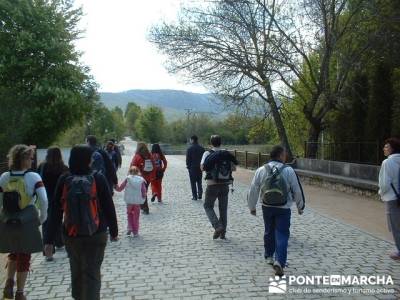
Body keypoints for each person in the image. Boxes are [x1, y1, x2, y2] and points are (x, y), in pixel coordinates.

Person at [44, 145, 119, 300]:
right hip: (96, 232)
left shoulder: (64, 179)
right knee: (92, 272)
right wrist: (114, 231)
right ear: (87, 160)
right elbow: (108, 206)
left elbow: (55, 210)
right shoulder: (98, 178)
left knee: (76, 271)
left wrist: (49, 239)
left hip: (71, 234)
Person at [248, 145, 305, 276]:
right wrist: (300, 206)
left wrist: (252, 207)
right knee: (282, 234)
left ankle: (269, 256)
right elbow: (297, 189)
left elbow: (253, 189)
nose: (285, 156)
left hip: (266, 206)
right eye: (284, 154)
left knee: (269, 231)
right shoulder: (289, 170)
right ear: (280, 155)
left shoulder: (261, 170)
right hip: (283, 208)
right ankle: (280, 261)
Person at [0, 145, 48, 300]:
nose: (32, 160)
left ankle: (8, 282)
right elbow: (44, 200)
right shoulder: (33, 177)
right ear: (23, 159)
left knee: (13, 252)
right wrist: (42, 217)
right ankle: (20, 293)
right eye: (30, 157)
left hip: (8, 218)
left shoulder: (4, 177)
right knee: (24, 255)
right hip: (27, 219)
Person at [201, 135, 238, 240]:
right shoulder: (226, 154)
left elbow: (202, 167)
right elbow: (234, 168)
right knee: (223, 209)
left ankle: (217, 226)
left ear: (211, 143)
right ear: (220, 143)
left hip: (212, 184)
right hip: (225, 185)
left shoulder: (207, 153)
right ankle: (223, 233)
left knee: (208, 206)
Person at [37, 147, 69, 261]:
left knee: (47, 223)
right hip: (60, 199)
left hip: (46, 198)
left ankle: (48, 250)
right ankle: (60, 243)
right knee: (60, 221)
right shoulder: (64, 168)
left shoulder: (42, 166)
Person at [378, 137, 400, 261]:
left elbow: (385, 183)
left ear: (392, 149)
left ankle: (399, 251)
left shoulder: (387, 162)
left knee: (395, 226)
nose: (384, 149)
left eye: (386, 147)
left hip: (392, 198)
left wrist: (381, 193)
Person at [115, 166, 146, 237]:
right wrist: (143, 197)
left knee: (129, 215)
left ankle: (129, 228)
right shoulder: (141, 180)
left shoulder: (127, 179)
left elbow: (120, 188)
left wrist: (115, 186)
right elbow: (143, 191)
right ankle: (136, 232)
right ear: (138, 172)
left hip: (129, 202)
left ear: (129, 171)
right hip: (137, 202)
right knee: (136, 217)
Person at [130, 143, 155, 214]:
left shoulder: (137, 156)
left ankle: (145, 208)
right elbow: (154, 165)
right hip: (148, 177)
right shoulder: (149, 155)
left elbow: (133, 166)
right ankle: (142, 206)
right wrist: (152, 176)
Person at [186, 135, 205, 200]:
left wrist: (188, 167)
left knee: (193, 182)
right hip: (200, 167)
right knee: (199, 181)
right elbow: (204, 159)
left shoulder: (189, 149)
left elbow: (188, 160)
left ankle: (195, 196)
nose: (190, 141)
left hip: (192, 168)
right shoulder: (202, 148)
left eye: (190, 140)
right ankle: (200, 194)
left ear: (192, 140)